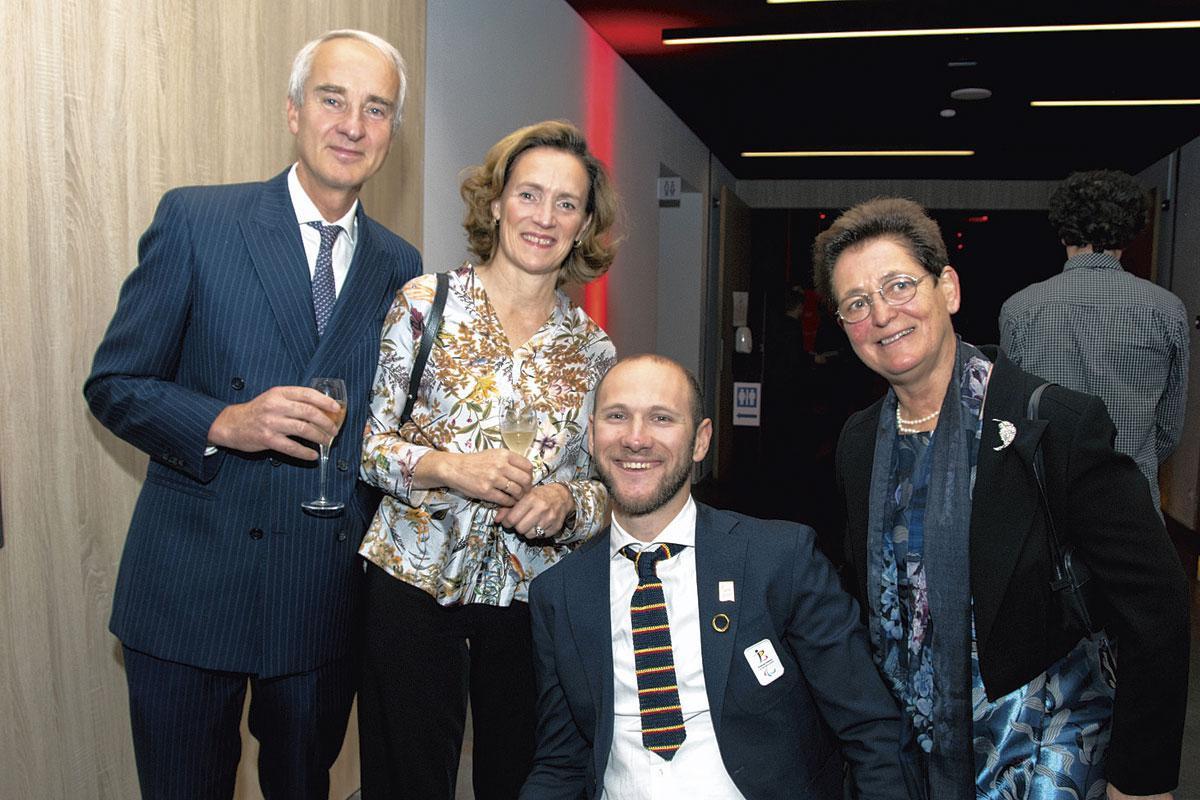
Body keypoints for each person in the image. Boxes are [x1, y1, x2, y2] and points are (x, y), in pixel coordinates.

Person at [83, 30, 420, 799]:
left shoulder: (401, 267)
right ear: (293, 112)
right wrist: (222, 423)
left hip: (318, 599)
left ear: (391, 137)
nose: (352, 125)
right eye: (333, 99)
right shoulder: (199, 221)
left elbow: (387, 432)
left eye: (376, 110)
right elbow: (115, 383)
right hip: (188, 591)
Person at [815, 197, 1189, 799]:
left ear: (949, 289)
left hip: (1041, 755)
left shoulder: (1056, 426)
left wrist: (1140, 780)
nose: (882, 314)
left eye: (899, 286)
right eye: (857, 304)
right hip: (905, 758)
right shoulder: (860, 442)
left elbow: (1157, 606)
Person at [357, 120, 618, 799]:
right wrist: (449, 468)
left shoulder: (593, 352)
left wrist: (568, 503)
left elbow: (606, 492)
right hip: (413, 584)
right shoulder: (425, 306)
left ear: (585, 223)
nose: (545, 217)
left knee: (522, 776)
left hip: (530, 599)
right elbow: (369, 450)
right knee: (408, 778)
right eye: (529, 195)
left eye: (567, 203)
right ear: (497, 202)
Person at [520, 353, 915, 800]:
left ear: (700, 440)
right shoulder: (560, 594)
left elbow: (871, 730)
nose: (635, 438)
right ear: (591, 437)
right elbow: (560, 763)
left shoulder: (778, 560)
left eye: (661, 418)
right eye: (617, 417)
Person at [1000, 169, 1189, 512]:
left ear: (1062, 234)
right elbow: (1168, 429)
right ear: (1130, 234)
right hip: (1131, 498)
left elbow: (1011, 417)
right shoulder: (1167, 309)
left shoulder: (1021, 308)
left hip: (1048, 499)